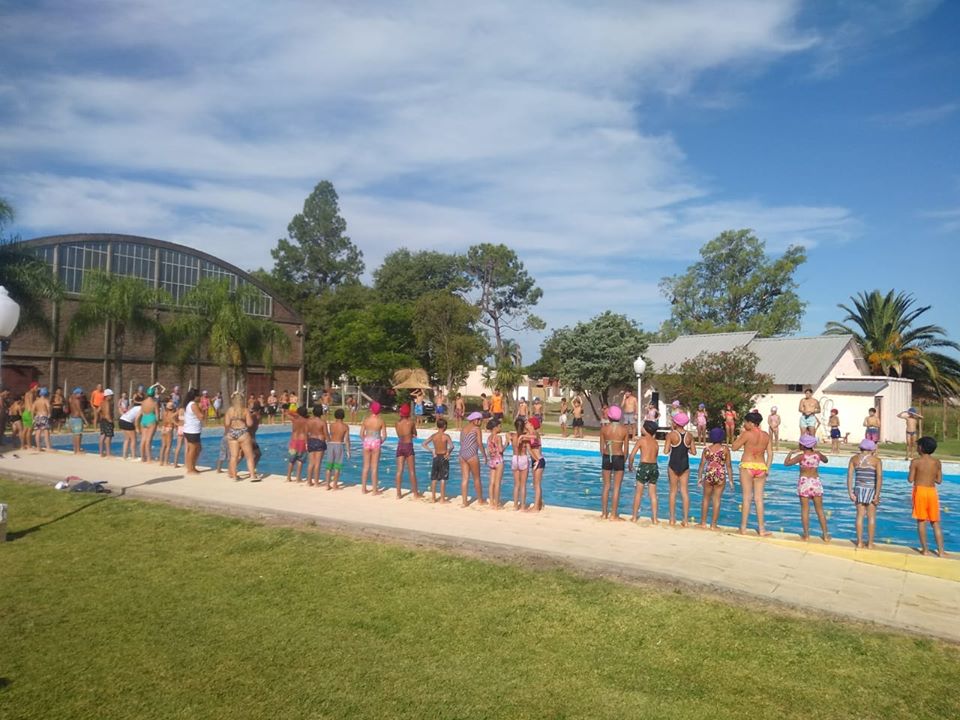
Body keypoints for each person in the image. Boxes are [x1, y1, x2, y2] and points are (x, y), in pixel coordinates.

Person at [731, 411, 773, 537]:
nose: (744, 424)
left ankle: (743, 528)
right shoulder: (766, 435)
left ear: (750, 423)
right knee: (759, 500)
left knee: (747, 498)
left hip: (747, 465)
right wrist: (767, 468)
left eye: (745, 422)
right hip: (761, 466)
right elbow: (770, 454)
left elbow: (734, 447)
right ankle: (761, 529)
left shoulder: (747, 434)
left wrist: (738, 437)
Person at [784, 434, 830, 542]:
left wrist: (790, 453)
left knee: (805, 510)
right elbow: (826, 460)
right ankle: (826, 535)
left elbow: (786, 463)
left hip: (804, 483)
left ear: (802, 445)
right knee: (820, 510)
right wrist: (819, 453)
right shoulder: (817, 454)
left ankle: (806, 535)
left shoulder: (801, 456)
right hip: (815, 483)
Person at [909, 436, 945, 556]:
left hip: (920, 491)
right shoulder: (937, 462)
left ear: (920, 448)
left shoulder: (915, 462)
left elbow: (910, 479)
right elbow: (939, 480)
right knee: (935, 522)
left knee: (921, 522)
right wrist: (930, 476)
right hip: (931, 492)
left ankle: (925, 550)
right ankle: (941, 551)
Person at [847, 438, 883, 549]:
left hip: (858, 489)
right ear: (872, 449)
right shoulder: (876, 461)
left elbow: (850, 476)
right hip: (871, 490)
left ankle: (859, 542)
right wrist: (877, 494)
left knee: (859, 516)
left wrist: (850, 492)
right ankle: (870, 543)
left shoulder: (854, 459)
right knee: (871, 517)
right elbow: (879, 478)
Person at [662, 411, 694, 526]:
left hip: (673, 464)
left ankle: (672, 519)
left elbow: (665, 451)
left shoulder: (671, 435)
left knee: (673, 492)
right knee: (684, 492)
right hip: (685, 465)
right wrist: (686, 448)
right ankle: (685, 520)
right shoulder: (689, 435)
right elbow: (694, 452)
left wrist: (671, 445)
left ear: (676, 423)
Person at [697, 427, 733, 530]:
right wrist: (731, 480)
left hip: (709, 474)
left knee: (706, 499)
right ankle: (713, 525)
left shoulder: (706, 449)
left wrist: (699, 478)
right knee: (716, 500)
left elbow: (701, 465)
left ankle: (703, 523)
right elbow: (729, 465)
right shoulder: (725, 449)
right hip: (720, 474)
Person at [599, 405, 630, 520]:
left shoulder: (604, 429)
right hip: (619, 457)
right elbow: (626, 450)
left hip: (607, 456)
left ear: (610, 417)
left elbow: (601, 449)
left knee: (606, 486)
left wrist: (606, 456)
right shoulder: (624, 430)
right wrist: (624, 461)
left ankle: (604, 513)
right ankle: (613, 515)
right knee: (617, 487)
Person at [628, 420, 660, 523]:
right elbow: (655, 456)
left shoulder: (641, 440)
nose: (641, 428)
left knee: (638, 493)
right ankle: (655, 518)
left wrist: (630, 465)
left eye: (642, 427)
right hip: (654, 467)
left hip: (644, 466)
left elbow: (632, 455)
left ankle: (634, 517)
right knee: (653, 494)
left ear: (646, 430)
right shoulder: (656, 443)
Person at [226, 392, 260, 480]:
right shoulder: (245, 410)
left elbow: (227, 423)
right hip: (243, 433)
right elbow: (249, 424)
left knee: (234, 456)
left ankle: (234, 476)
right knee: (249, 457)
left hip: (232, 433)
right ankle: (252, 476)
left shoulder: (230, 410)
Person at [459, 411, 487, 507]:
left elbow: (461, 442)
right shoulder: (476, 429)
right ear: (473, 420)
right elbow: (479, 443)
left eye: (481, 420)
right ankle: (480, 500)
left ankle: (464, 501)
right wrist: (484, 455)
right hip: (472, 455)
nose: (480, 422)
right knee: (477, 478)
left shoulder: (463, 428)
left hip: (462, 454)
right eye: (479, 419)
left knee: (465, 478)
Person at [422, 418, 452, 503]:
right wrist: (448, 452)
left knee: (434, 478)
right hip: (443, 458)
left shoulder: (434, 436)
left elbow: (424, 444)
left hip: (435, 457)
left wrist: (432, 450)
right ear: (445, 426)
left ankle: (433, 498)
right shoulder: (446, 436)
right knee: (443, 478)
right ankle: (442, 499)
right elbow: (452, 446)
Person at [394, 403, 420, 499]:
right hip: (408, 446)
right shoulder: (411, 422)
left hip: (400, 446)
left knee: (399, 470)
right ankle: (415, 494)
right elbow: (415, 433)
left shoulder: (397, 423)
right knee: (412, 471)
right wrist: (412, 434)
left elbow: (399, 435)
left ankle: (398, 493)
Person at [359, 401, 386, 493]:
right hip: (376, 442)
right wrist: (380, 441)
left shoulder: (366, 420)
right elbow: (384, 436)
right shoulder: (381, 421)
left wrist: (365, 440)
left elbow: (361, 434)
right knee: (374, 467)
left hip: (367, 441)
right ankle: (374, 490)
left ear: (371, 409)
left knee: (365, 466)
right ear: (379, 411)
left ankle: (363, 489)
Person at [324, 408, 351, 490]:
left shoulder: (331, 425)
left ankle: (327, 484)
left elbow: (330, 435)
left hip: (331, 445)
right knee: (337, 466)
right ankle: (335, 485)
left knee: (329, 466)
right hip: (339, 445)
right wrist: (348, 451)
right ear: (343, 416)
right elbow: (346, 440)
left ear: (335, 416)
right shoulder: (345, 427)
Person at [305, 404, 329, 487]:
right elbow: (326, 434)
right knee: (318, 463)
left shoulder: (308, 421)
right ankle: (316, 482)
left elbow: (306, 433)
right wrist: (329, 441)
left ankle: (309, 481)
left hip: (311, 440)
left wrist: (306, 443)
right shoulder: (322, 422)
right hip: (320, 441)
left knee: (311, 463)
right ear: (321, 412)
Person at [138, 384, 162, 463]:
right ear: (153, 394)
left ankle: (142, 458)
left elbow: (141, 412)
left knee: (143, 440)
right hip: (151, 419)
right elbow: (157, 415)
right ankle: (148, 459)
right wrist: (158, 423)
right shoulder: (154, 403)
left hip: (144, 419)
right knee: (148, 440)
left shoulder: (143, 402)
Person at [182, 388, 204, 475]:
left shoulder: (189, 404)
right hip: (192, 430)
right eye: (199, 395)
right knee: (193, 449)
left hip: (191, 430)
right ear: (195, 396)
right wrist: (202, 409)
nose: (200, 397)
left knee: (198, 448)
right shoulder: (193, 405)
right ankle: (190, 469)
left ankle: (192, 466)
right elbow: (201, 416)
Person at [510, 417, 531, 510]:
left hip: (515, 458)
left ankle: (515, 505)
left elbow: (508, 435)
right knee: (523, 485)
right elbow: (530, 449)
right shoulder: (526, 437)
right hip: (523, 458)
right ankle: (522, 506)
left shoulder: (512, 436)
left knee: (516, 484)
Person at [284, 406, 309, 482]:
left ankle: (288, 477)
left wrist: (295, 413)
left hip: (293, 442)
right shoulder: (306, 421)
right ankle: (298, 478)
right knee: (300, 460)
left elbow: (286, 412)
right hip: (302, 441)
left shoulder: (294, 419)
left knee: (291, 461)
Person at [486, 417, 505, 509]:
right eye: (499, 426)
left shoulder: (489, 438)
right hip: (499, 461)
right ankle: (497, 504)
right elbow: (501, 450)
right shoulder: (498, 437)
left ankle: (491, 502)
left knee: (491, 482)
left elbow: (489, 450)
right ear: (495, 428)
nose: (500, 428)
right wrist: (507, 444)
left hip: (492, 460)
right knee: (497, 483)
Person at [528, 416, 545, 512]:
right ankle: (539, 503)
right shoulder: (529, 434)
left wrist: (522, 436)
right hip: (535, 461)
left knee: (537, 484)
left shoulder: (535, 434)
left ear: (532, 425)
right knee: (535, 484)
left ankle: (536, 507)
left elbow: (533, 437)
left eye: (528, 423)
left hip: (539, 460)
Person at [95, 388, 115, 457]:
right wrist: (111, 421)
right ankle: (108, 454)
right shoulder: (107, 403)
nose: (112, 397)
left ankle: (101, 453)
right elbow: (107, 414)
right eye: (111, 395)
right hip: (107, 420)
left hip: (102, 420)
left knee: (102, 436)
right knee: (108, 437)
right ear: (108, 396)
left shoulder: (102, 402)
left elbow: (97, 411)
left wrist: (101, 415)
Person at [33, 387, 53, 452]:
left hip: (37, 417)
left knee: (37, 432)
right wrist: (49, 413)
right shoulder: (46, 400)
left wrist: (33, 417)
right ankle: (48, 447)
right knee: (46, 432)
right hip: (44, 416)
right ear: (46, 394)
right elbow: (48, 407)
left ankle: (38, 448)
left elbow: (32, 410)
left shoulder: (36, 401)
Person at [159, 399, 176, 465]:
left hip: (163, 428)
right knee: (168, 446)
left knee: (163, 446)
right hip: (169, 428)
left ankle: (161, 461)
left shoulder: (164, 413)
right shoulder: (172, 414)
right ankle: (166, 461)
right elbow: (173, 422)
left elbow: (162, 420)